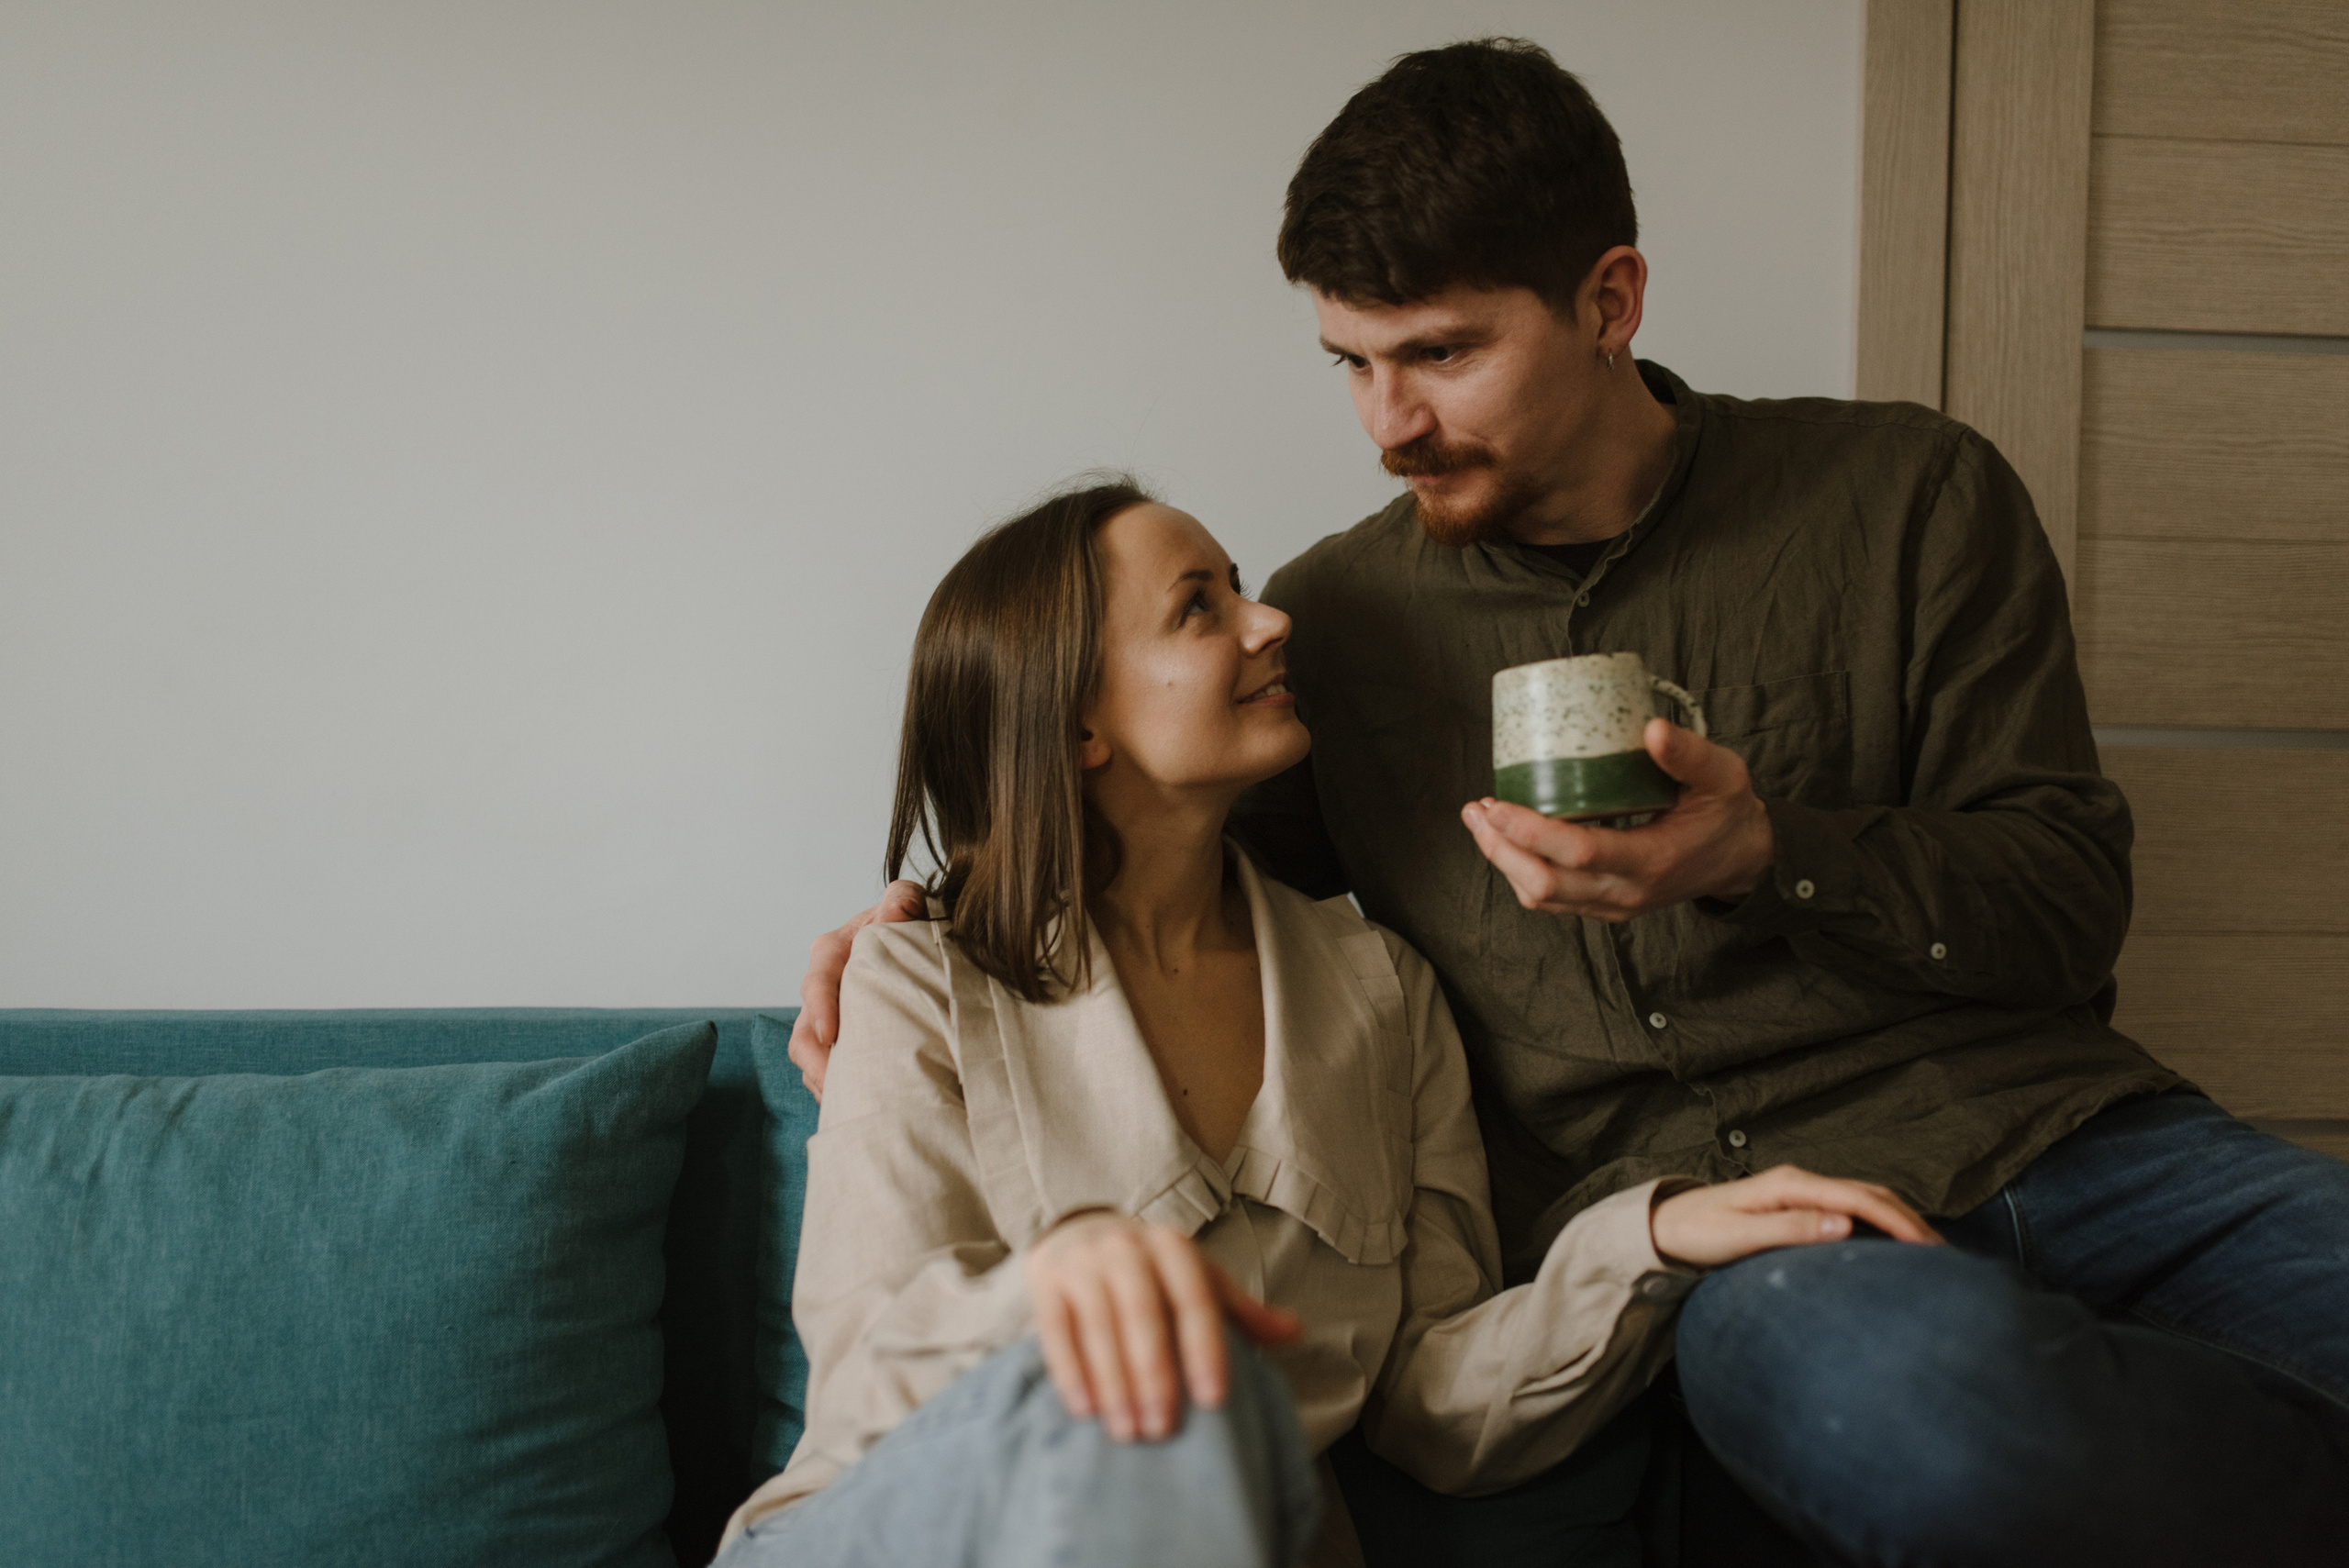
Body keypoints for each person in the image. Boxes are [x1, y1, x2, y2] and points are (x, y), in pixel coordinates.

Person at [791, 39, 2349, 1568]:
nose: (1385, 421)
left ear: (1610, 302)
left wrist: (1767, 851)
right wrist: (930, 917)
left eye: (1442, 354)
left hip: (2071, 1137)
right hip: (1773, 1244)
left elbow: (2070, 895)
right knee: (1944, 1422)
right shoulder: (1332, 632)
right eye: (1351, 358)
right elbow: (1133, 850)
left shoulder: (1908, 498)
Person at [723, 480, 1934, 1568]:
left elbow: (1429, 1395)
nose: (1270, 621)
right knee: (1180, 1396)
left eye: (1242, 588)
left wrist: (1653, 1236)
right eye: (1202, 608)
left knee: (1221, 1411)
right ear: (1078, 722)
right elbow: (870, 1368)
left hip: (1227, 1530)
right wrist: (1056, 1290)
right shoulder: (918, 980)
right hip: (891, 1530)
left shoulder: (1380, 990)